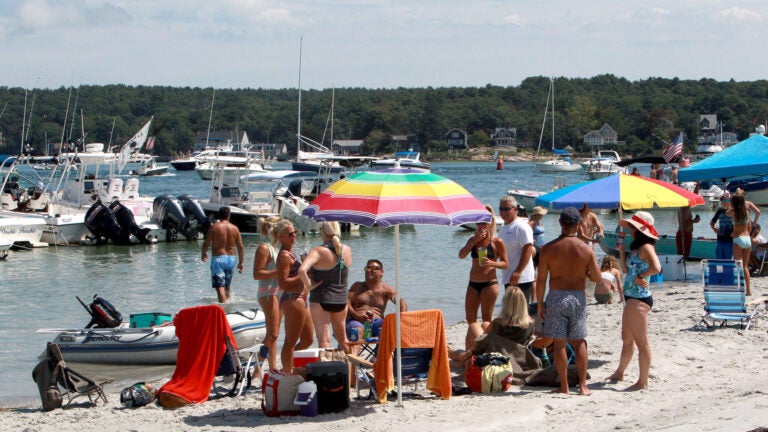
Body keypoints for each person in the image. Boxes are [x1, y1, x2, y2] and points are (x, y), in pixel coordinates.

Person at [536, 207, 602, 395]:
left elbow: (541, 280)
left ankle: (564, 386)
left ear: (560, 223)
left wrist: (540, 303)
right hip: (578, 296)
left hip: (556, 295)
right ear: (579, 224)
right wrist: (587, 271)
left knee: (559, 344)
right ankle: (583, 386)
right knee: (579, 341)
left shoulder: (548, 248)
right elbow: (597, 278)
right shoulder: (586, 250)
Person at [609, 211, 661, 391]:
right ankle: (620, 372)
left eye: (633, 227)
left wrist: (641, 275)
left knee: (641, 341)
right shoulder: (637, 248)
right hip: (631, 296)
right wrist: (622, 253)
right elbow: (624, 270)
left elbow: (657, 267)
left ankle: (643, 382)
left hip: (639, 298)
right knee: (627, 338)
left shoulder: (647, 247)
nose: (631, 230)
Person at [458, 205, 508, 349]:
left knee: (486, 320)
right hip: (473, 283)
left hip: (489, 284)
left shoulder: (497, 242)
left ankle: (483, 350)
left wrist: (492, 263)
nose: (481, 225)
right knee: (470, 320)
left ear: (491, 222)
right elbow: (461, 255)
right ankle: (469, 351)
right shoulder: (472, 240)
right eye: (478, 222)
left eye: (484, 221)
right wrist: (473, 241)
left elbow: (506, 264)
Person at [298, 221, 352, 352]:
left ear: (322, 231)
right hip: (341, 300)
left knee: (324, 340)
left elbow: (301, 271)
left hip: (321, 299)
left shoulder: (318, 251)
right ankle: (351, 370)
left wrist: (309, 286)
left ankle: (326, 370)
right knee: (343, 339)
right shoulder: (347, 250)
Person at [449, 285, 535, 361]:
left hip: (497, 356)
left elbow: (480, 343)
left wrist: (468, 352)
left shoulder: (499, 323)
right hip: (517, 357)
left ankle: (466, 361)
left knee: (473, 326)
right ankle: (463, 358)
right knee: (485, 324)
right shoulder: (530, 323)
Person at [276, 220, 314, 373]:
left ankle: (288, 366)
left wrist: (308, 271)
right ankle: (287, 372)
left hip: (301, 298)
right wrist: (301, 274)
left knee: (308, 340)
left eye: (295, 233)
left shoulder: (291, 254)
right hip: (293, 299)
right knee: (290, 341)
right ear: (281, 237)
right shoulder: (284, 256)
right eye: (290, 234)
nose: (294, 236)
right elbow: (283, 283)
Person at [346, 259, 407, 353]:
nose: (369, 270)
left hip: (375, 323)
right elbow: (346, 303)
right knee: (358, 330)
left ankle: (379, 357)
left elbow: (401, 303)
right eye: (367, 268)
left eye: (374, 268)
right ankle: (353, 362)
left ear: (381, 272)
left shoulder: (386, 289)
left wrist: (401, 320)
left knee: (388, 327)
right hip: (356, 321)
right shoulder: (357, 286)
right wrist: (356, 316)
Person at [252, 215, 283, 371]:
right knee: (273, 334)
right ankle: (257, 370)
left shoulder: (276, 248)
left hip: (277, 292)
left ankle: (271, 368)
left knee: (274, 334)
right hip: (268, 292)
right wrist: (279, 272)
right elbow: (257, 273)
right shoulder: (264, 247)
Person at [201, 206, 244, 304]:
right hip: (231, 259)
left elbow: (206, 243)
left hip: (218, 260)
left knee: (220, 288)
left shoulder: (214, 227)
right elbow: (240, 247)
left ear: (219, 215)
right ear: (229, 216)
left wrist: (203, 253)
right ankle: (228, 308)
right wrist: (241, 262)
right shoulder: (235, 228)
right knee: (227, 286)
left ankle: (223, 311)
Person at [497, 196, 535, 304]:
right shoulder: (504, 227)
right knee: (510, 313)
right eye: (501, 209)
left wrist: (518, 271)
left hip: (522, 277)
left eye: (507, 209)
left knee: (520, 314)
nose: (503, 212)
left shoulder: (521, 226)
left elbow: (528, 249)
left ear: (515, 210)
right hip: (508, 275)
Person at [727, 194, 753, 296]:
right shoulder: (747, 213)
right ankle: (748, 290)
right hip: (747, 240)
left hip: (738, 239)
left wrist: (734, 233)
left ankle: (737, 287)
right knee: (745, 267)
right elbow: (749, 228)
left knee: (737, 265)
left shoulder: (733, 212)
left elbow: (726, 212)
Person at [710, 193, 734, 259]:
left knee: (728, 259)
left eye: (726, 201)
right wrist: (715, 229)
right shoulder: (720, 211)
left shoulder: (733, 210)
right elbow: (712, 223)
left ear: (729, 201)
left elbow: (738, 224)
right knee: (719, 259)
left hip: (730, 240)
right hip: (720, 239)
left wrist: (735, 232)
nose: (724, 203)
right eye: (723, 201)